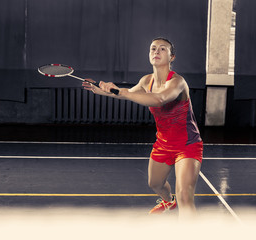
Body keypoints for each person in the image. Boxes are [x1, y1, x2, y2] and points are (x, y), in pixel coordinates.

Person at [82, 37, 203, 218]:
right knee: (155, 184)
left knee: (185, 195)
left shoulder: (178, 82)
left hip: (187, 145)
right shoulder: (146, 81)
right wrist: (105, 91)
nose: (156, 51)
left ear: (172, 57)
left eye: (163, 49)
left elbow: (159, 99)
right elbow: (129, 94)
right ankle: (168, 202)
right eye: (153, 48)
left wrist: (120, 91)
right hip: (163, 144)